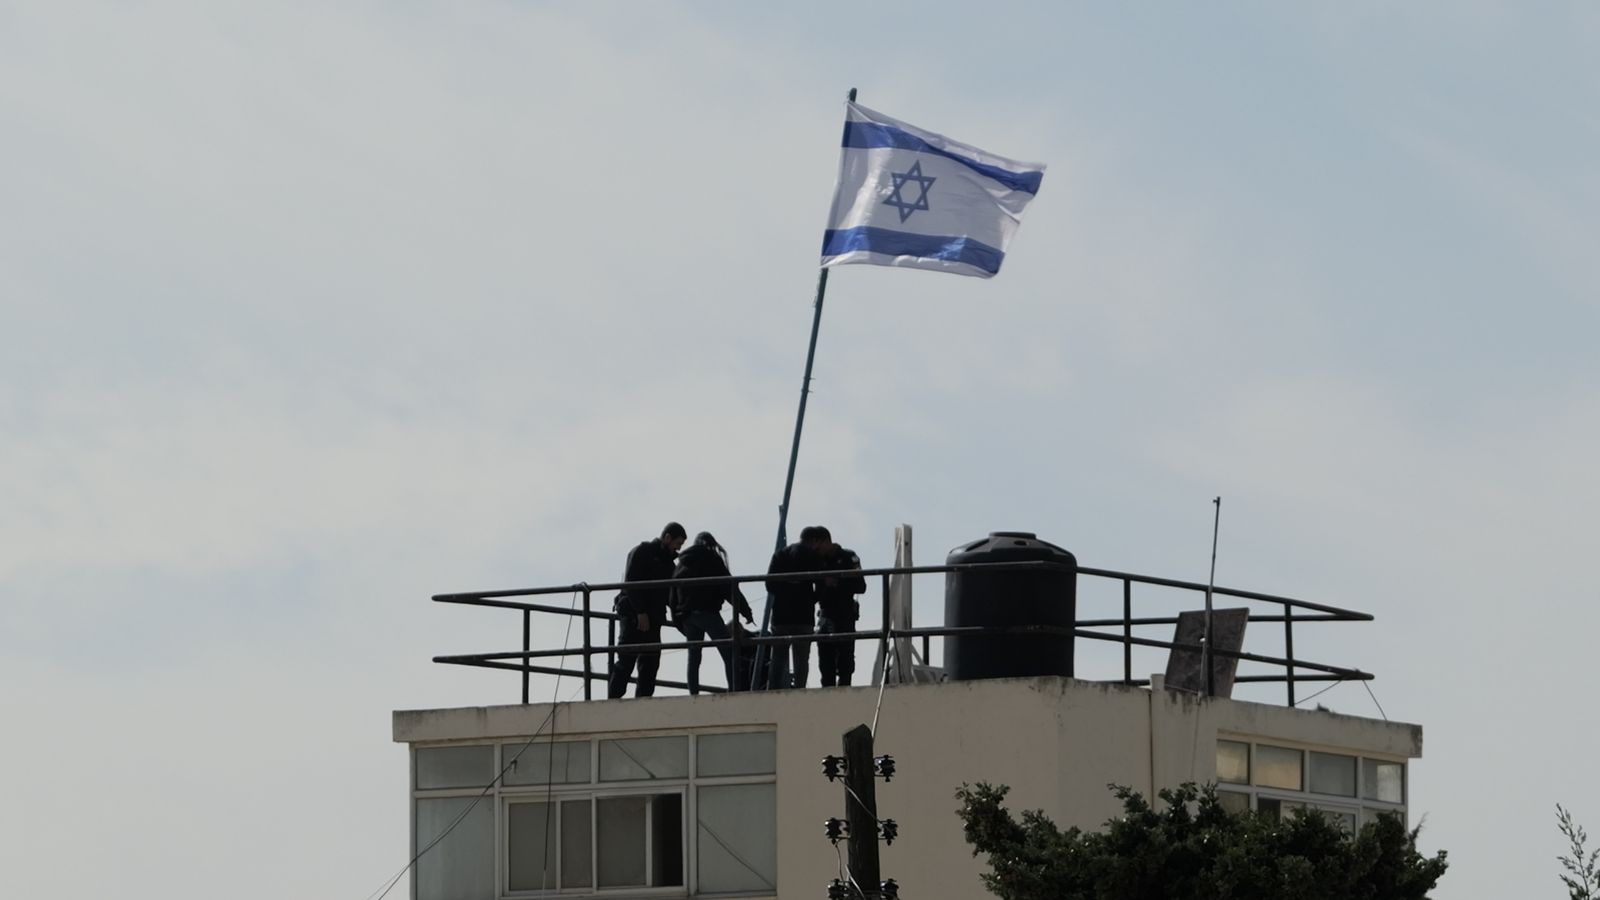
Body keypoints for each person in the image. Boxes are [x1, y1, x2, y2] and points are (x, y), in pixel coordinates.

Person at [608, 522, 686, 699]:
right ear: (667, 538)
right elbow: (631, 584)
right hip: (633, 615)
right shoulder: (642, 552)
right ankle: (613, 701)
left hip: (654, 618)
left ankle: (643, 702)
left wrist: (681, 623)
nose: (678, 548)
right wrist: (640, 612)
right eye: (677, 543)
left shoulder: (669, 565)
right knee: (626, 660)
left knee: (650, 664)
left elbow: (672, 598)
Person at [671, 532, 755, 695]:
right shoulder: (712, 558)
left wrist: (678, 620)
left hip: (687, 616)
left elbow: (673, 593)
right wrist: (746, 611)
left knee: (694, 657)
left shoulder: (682, 562)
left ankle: (693, 694)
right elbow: (730, 588)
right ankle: (734, 691)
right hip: (708, 613)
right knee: (729, 653)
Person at [764, 525, 832, 689]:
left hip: (780, 616)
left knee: (778, 659)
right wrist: (811, 599)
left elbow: (769, 585)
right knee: (801, 659)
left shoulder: (780, 555)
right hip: (803, 616)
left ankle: (772, 690)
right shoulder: (813, 558)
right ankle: (800, 690)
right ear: (814, 540)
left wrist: (785, 592)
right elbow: (822, 585)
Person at [816, 541, 867, 687]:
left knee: (846, 661)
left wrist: (837, 582)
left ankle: (845, 691)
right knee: (826, 663)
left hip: (845, 615)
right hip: (826, 615)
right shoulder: (819, 560)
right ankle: (827, 695)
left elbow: (861, 586)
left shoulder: (849, 557)